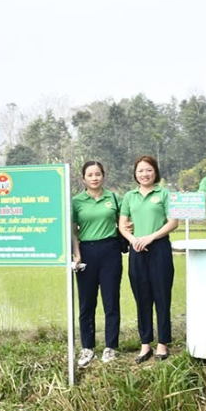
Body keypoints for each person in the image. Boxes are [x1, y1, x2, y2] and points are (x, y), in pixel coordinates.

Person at [119, 156, 178, 363]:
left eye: (149, 170)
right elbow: (122, 224)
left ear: (155, 173)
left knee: (162, 296)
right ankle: (145, 344)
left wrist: (150, 237)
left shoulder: (164, 194)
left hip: (159, 248)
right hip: (137, 250)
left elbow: (173, 222)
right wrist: (134, 239)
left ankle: (162, 343)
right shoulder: (129, 196)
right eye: (140, 171)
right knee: (141, 297)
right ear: (135, 173)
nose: (144, 174)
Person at [71, 161, 123, 368]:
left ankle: (111, 346)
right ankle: (88, 347)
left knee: (111, 301)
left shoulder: (114, 198)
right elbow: (73, 231)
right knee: (86, 303)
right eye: (90, 175)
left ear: (104, 175)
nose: (94, 178)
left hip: (110, 250)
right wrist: (77, 254)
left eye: (98, 174)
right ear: (83, 178)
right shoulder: (76, 202)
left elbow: (124, 222)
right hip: (86, 252)